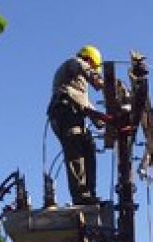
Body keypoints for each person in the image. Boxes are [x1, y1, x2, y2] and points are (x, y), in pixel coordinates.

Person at [47, 45, 111, 205]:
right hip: (64, 114)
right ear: (89, 59)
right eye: (93, 66)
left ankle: (89, 192)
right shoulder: (74, 62)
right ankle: (80, 195)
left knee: (89, 148)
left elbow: (84, 102)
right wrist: (102, 82)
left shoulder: (79, 85)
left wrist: (101, 121)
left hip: (75, 116)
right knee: (75, 153)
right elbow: (84, 71)